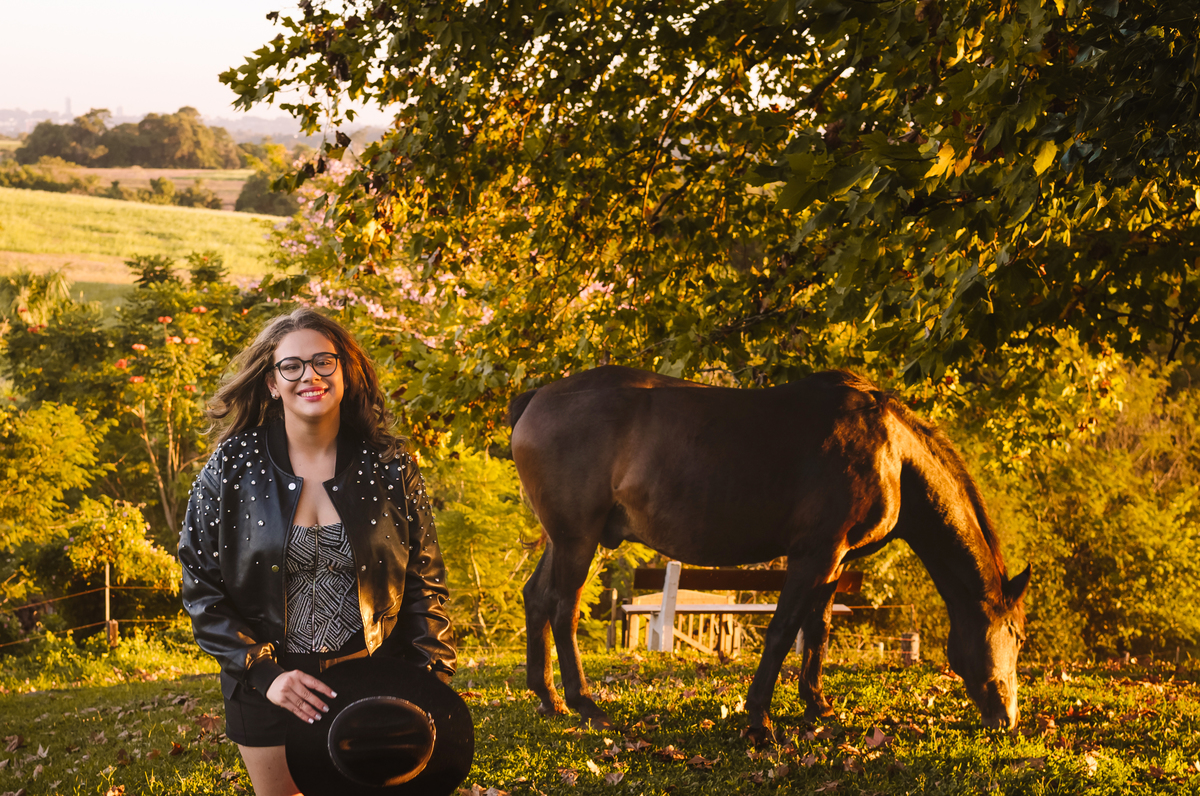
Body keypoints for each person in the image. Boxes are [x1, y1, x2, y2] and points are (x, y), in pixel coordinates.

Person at [179, 307, 455, 796]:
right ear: (271, 382)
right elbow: (201, 588)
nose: (310, 375)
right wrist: (265, 674)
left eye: (324, 362)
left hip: (373, 676)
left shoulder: (391, 467)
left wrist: (423, 684)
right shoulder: (230, 468)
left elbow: (425, 585)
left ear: (345, 371)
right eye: (292, 365)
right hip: (269, 688)